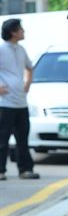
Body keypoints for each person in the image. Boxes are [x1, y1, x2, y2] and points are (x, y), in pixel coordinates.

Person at [0, 18, 39, 181]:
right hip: (4, 103)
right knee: (2, 139)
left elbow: (29, 67)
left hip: (21, 102)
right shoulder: (1, 49)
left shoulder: (21, 49)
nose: (23, 31)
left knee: (23, 138)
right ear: (12, 32)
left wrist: (28, 83)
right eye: (20, 29)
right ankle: (0, 171)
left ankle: (25, 170)